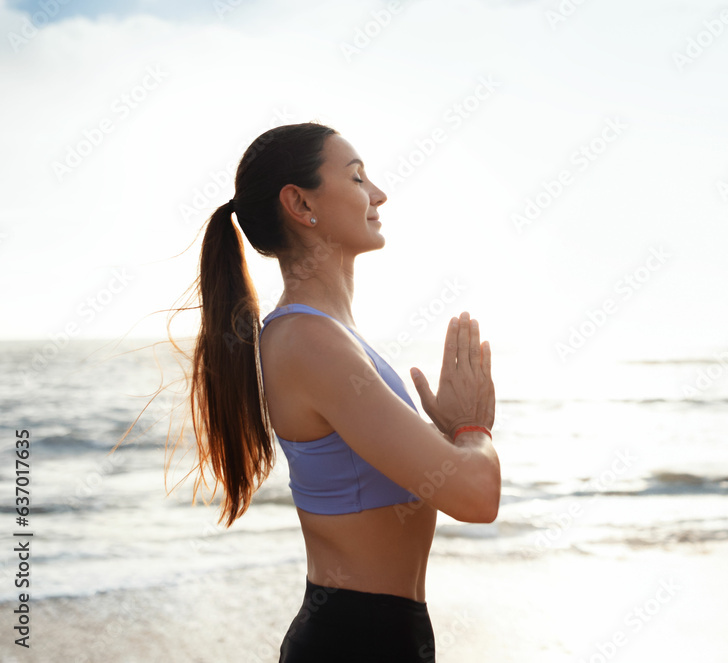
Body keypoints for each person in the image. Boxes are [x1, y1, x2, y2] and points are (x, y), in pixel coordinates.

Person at [164, 122, 499, 661]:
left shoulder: (326, 335)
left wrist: (447, 436)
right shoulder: (308, 340)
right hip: (355, 638)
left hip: (381, 632)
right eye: (358, 177)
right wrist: (472, 428)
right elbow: (476, 498)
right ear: (300, 203)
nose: (379, 193)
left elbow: (421, 481)